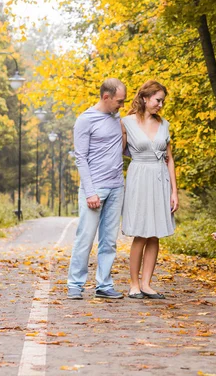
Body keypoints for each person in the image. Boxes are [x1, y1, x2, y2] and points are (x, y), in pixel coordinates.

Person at [67, 78, 127, 300]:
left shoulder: (116, 116)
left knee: (109, 240)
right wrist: (90, 192)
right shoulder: (85, 120)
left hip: (116, 187)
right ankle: (75, 284)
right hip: (95, 189)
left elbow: (121, 145)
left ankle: (104, 285)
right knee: (85, 236)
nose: (121, 105)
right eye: (119, 101)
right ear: (106, 97)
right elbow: (80, 158)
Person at [121, 80, 178, 300]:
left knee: (155, 234)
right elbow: (119, 151)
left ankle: (146, 283)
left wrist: (174, 191)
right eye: (158, 100)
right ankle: (134, 284)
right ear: (145, 98)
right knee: (141, 233)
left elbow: (170, 159)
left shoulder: (164, 124)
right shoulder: (126, 122)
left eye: (163, 101)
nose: (161, 105)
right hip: (139, 177)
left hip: (160, 178)